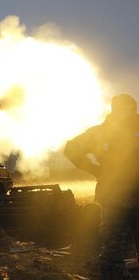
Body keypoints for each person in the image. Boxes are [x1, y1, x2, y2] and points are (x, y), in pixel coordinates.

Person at [64, 94, 139, 279]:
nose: (127, 113)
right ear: (114, 110)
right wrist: (95, 169)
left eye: (130, 109)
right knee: (113, 251)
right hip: (114, 200)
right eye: (123, 109)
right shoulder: (100, 133)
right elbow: (71, 149)